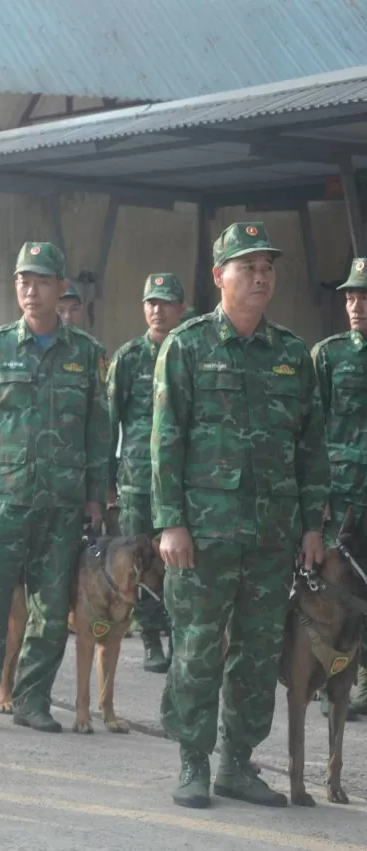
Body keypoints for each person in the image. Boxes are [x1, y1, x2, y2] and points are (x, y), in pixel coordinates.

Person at [152, 222, 326, 810]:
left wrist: (311, 526)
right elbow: (165, 439)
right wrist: (170, 520)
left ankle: (236, 763)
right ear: (218, 275)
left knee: (256, 654)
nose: (260, 276)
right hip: (204, 534)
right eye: (247, 265)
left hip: (273, 536)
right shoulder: (188, 345)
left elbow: (310, 447)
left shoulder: (292, 355)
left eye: (267, 267)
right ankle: (192, 763)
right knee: (198, 648)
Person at [0, 241, 108, 733]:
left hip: (62, 502)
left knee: (51, 607)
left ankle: (33, 700)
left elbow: (98, 431)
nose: (30, 290)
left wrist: (97, 496)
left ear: (60, 288)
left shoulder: (87, 354)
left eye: (40, 281)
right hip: (4, 498)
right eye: (22, 280)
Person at [107, 273, 187, 675]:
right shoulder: (127, 357)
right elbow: (109, 422)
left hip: (181, 479)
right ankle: (151, 637)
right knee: (140, 558)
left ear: (181, 309)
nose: (158, 310)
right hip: (137, 478)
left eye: (166, 302)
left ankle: (178, 636)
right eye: (151, 302)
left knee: (178, 560)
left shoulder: (190, 353)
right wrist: (104, 481)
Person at [313, 258, 367, 719]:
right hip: (342, 493)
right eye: (350, 297)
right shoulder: (329, 355)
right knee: (334, 588)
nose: (356, 305)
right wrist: (319, 496)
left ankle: (364, 679)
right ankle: (332, 675)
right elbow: (311, 432)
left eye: (364, 296)